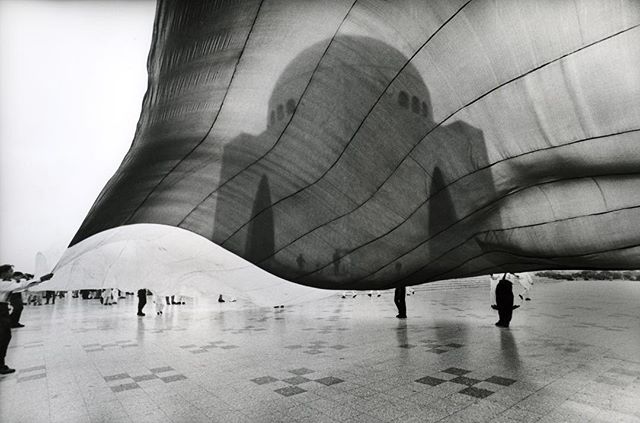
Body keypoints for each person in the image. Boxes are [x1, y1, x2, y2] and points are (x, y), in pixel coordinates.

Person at [0, 264, 51, 374]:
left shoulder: (4, 283)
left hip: (3, 310)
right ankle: (1, 365)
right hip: (1, 311)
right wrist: (41, 279)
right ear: (3, 273)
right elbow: (22, 285)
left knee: (5, 336)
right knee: (4, 337)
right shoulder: (3, 284)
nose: (12, 273)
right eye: (10, 271)